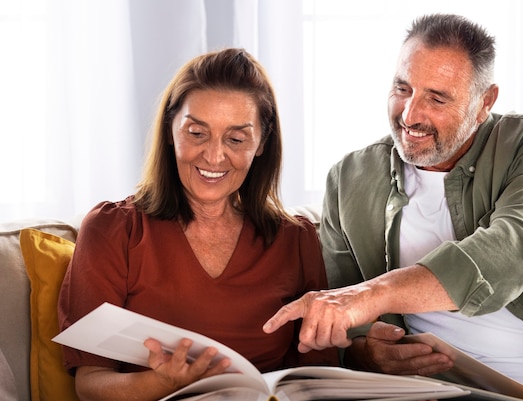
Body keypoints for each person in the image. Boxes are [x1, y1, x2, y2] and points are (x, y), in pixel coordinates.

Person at [264, 13, 523, 392]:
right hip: (461, 390)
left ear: (484, 102)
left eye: (436, 98)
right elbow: (345, 319)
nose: (410, 115)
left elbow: (512, 249)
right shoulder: (349, 178)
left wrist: (371, 296)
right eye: (402, 89)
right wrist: (366, 353)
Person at [57, 48, 338, 401]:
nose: (214, 156)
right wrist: (163, 383)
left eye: (236, 139)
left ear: (262, 143)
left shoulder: (295, 238)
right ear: (171, 131)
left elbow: (318, 375)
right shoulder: (113, 230)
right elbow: (90, 384)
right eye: (197, 133)